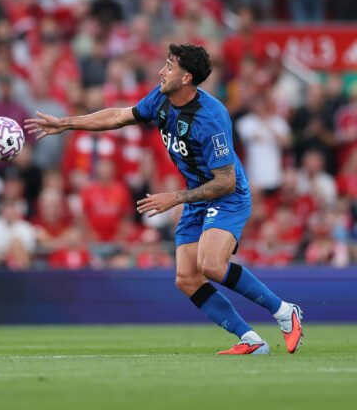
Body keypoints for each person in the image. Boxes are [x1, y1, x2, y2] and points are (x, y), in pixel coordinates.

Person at [25, 44, 304, 355]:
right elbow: (120, 116)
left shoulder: (211, 118)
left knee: (211, 265)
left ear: (186, 78)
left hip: (227, 196)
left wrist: (176, 197)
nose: (161, 70)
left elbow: (226, 181)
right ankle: (251, 340)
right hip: (195, 195)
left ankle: (283, 312)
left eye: (169, 66)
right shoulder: (161, 97)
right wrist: (66, 123)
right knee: (186, 278)